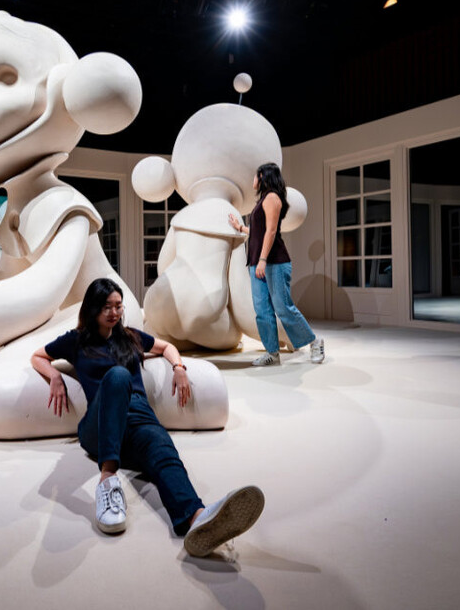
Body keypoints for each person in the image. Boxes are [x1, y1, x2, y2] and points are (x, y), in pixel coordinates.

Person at [32, 278, 265, 556]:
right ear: (92, 308)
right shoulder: (76, 341)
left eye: (118, 306)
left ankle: (197, 518)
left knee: (163, 451)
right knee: (118, 376)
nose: (114, 313)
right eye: (106, 307)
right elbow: (37, 356)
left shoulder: (130, 336)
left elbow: (166, 347)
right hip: (99, 425)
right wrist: (55, 376)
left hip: (139, 418)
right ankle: (108, 479)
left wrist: (178, 367)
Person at [227, 162, 324, 366]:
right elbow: (259, 231)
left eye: (255, 175)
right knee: (262, 310)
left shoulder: (272, 198)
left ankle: (315, 342)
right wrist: (241, 228)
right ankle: (272, 352)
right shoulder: (263, 199)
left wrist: (262, 260)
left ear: (262, 176)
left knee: (283, 307)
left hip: (274, 262)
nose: (253, 180)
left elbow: (271, 232)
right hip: (258, 263)